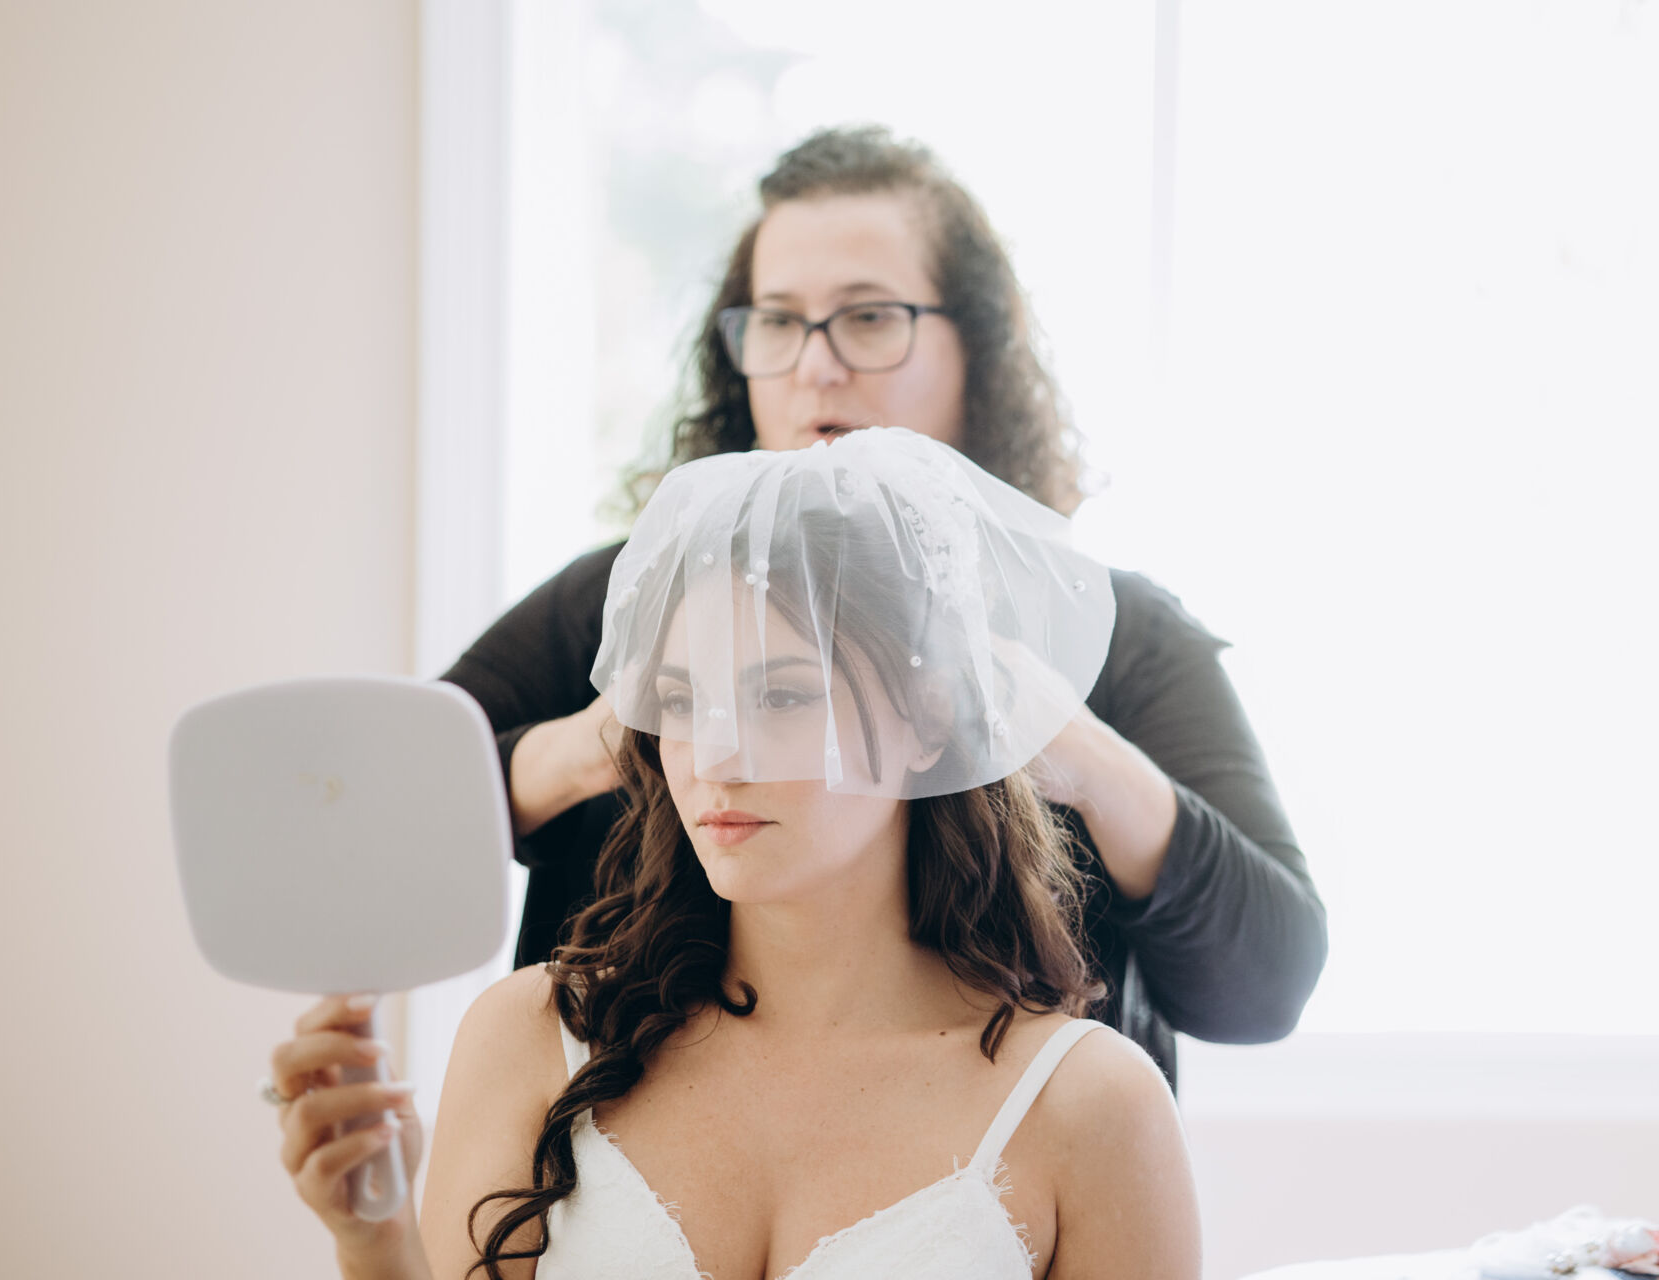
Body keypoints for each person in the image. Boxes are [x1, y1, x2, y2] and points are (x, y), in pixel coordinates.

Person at [444, 125, 1327, 1085]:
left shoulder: (1125, 637)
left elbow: (1266, 988)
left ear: (976, 348)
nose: (815, 366)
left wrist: (1076, 753)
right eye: (777, 321)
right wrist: (599, 743)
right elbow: (370, 829)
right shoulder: (617, 601)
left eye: (868, 318)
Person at [268, 429, 1202, 1278]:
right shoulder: (530, 1039)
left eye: (781, 697)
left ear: (927, 724)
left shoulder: (1089, 1107)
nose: (714, 757)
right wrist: (373, 1242)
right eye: (682, 701)